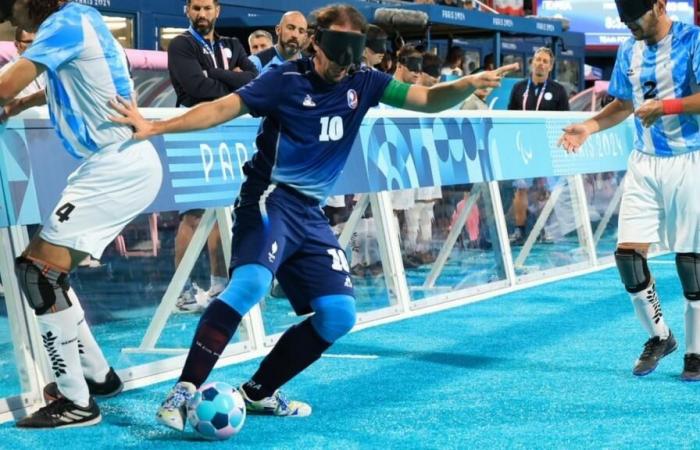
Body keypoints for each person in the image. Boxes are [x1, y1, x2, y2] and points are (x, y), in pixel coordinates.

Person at [110, 4, 517, 431]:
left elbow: (429, 101)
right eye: (335, 57)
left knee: (338, 314)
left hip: (311, 213)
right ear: (315, 43)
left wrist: (467, 84)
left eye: (350, 61)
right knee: (250, 285)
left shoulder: (364, 79)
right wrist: (154, 128)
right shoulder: (283, 80)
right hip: (269, 200)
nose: (342, 70)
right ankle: (184, 390)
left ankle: (260, 392)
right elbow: (220, 109)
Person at [0, 0, 162, 427]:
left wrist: (10, 98)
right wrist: (23, 104)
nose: (9, 11)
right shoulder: (81, 18)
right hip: (117, 161)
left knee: (38, 271)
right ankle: (97, 377)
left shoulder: (61, 23)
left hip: (116, 165)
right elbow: (71, 78)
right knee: (47, 270)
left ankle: (75, 400)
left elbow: (3, 85)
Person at [559, 0, 700, 381]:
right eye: (623, 19)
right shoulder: (628, 49)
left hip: (690, 159)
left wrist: (667, 107)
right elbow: (623, 104)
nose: (628, 25)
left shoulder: (693, 41)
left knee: (691, 263)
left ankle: (696, 351)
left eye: (634, 17)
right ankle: (661, 336)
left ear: (659, 5)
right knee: (628, 256)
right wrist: (588, 127)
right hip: (643, 161)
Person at [168, 0, 258, 313]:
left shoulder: (232, 44)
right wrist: (232, 80)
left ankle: (220, 282)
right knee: (192, 215)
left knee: (224, 209)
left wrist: (216, 73)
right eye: (196, 8)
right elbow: (196, 87)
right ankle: (183, 289)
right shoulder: (181, 45)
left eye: (207, 8)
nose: (202, 14)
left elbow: (254, 81)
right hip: (193, 133)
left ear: (217, 11)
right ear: (187, 11)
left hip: (228, 134)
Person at [507, 46, 569, 245]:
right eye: (538, 59)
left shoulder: (558, 91)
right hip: (522, 146)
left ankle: (545, 229)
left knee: (547, 191)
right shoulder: (518, 88)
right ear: (532, 63)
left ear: (550, 67)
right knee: (521, 188)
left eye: (545, 61)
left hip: (547, 148)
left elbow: (564, 122)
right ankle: (520, 230)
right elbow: (509, 117)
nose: (540, 63)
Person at [249, 11, 307, 75]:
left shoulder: (311, 65)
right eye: (290, 28)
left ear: (305, 38)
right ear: (278, 30)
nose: (295, 35)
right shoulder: (256, 62)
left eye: (301, 31)